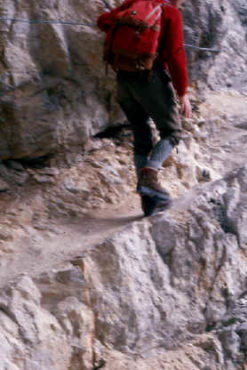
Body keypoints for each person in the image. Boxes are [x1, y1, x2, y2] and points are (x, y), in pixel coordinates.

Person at [97, 0, 191, 216]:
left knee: (141, 133)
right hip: (150, 78)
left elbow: (103, 21)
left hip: (123, 79)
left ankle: (148, 202)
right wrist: (182, 91)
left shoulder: (134, 4)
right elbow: (176, 53)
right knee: (172, 132)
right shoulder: (170, 13)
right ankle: (150, 175)